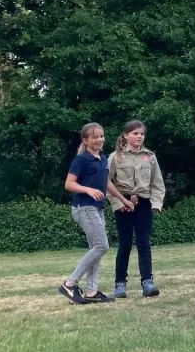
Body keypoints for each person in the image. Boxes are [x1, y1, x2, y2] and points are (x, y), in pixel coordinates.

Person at [59, 123, 133, 305]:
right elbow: (69, 184)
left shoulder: (102, 158)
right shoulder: (81, 160)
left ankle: (91, 291)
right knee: (101, 246)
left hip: (97, 208)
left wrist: (123, 200)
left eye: (102, 136)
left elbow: (106, 182)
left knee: (96, 249)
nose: (100, 140)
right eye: (95, 137)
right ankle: (70, 283)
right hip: (84, 207)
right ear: (85, 140)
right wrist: (88, 190)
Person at [108, 120, 165, 299]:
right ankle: (120, 284)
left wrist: (156, 204)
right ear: (125, 135)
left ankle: (147, 283)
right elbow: (106, 182)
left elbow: (157, 183)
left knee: (144, 243)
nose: (139, 136)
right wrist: (118, 203)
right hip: (123, 202)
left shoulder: (150, 156)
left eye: (141, 134)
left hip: (144, 202)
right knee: (125, 244)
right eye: (135, 133)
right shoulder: (115, 157)